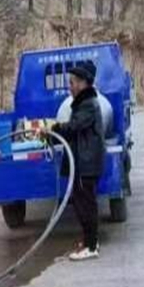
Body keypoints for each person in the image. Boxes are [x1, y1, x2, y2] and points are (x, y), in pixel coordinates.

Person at [50, 60, 105, 261]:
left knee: (86, 205)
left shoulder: (88, 104)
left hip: (86, 163)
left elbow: (74, 127)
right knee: (83, 203)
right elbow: (74, 128)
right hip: (83, 162)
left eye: (72, 82)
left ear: (83, 83)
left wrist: (54, 129)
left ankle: (91, 246)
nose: (70, 87)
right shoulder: (84, 102)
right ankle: (91, 241)